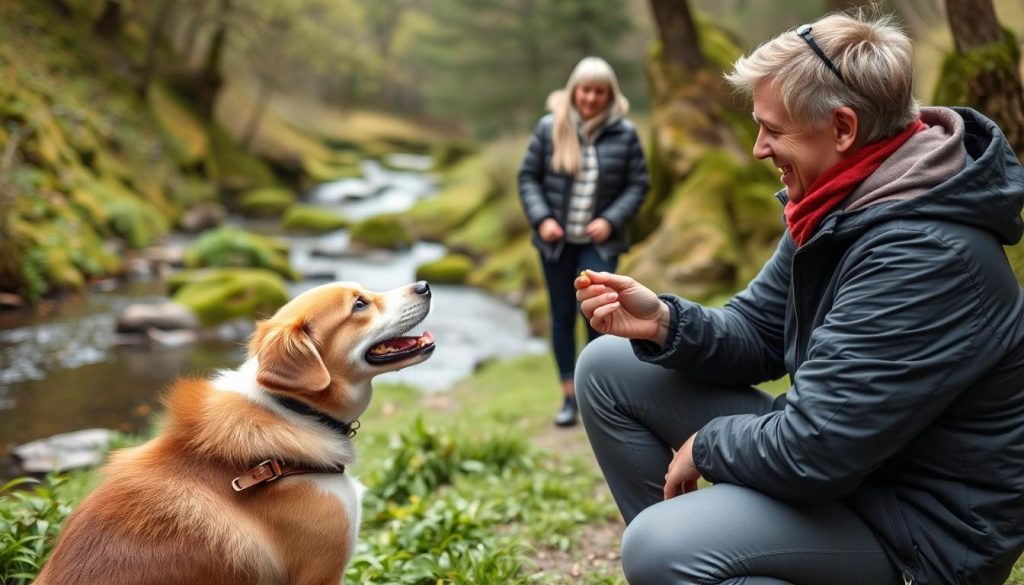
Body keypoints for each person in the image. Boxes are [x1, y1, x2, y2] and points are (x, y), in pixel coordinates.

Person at [574, 10, 1024, 585]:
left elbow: (816, 449)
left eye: (774, 129)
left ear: (842, 128)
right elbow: (760, 332)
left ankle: (692, 561)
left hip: (920, 535)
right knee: (612, 367)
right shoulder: (841, 200)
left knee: (663, 546)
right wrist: (663, 322)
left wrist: (707, 446)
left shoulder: (926, 253)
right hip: (856, 473)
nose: (759, 148)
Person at [518, 56, 649, 427]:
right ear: (575, 89)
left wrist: (611, 219)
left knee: (598, 313)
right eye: (586, 90)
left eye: (600, 92)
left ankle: (597, 393)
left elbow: (638, 184)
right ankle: (568, 397)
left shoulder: (625, 133)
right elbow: (528, 177)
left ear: (610, 95)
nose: (591, 98)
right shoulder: (550, 128)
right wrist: (542, 218)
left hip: (599, 244)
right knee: (561, 315)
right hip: (557, 244)